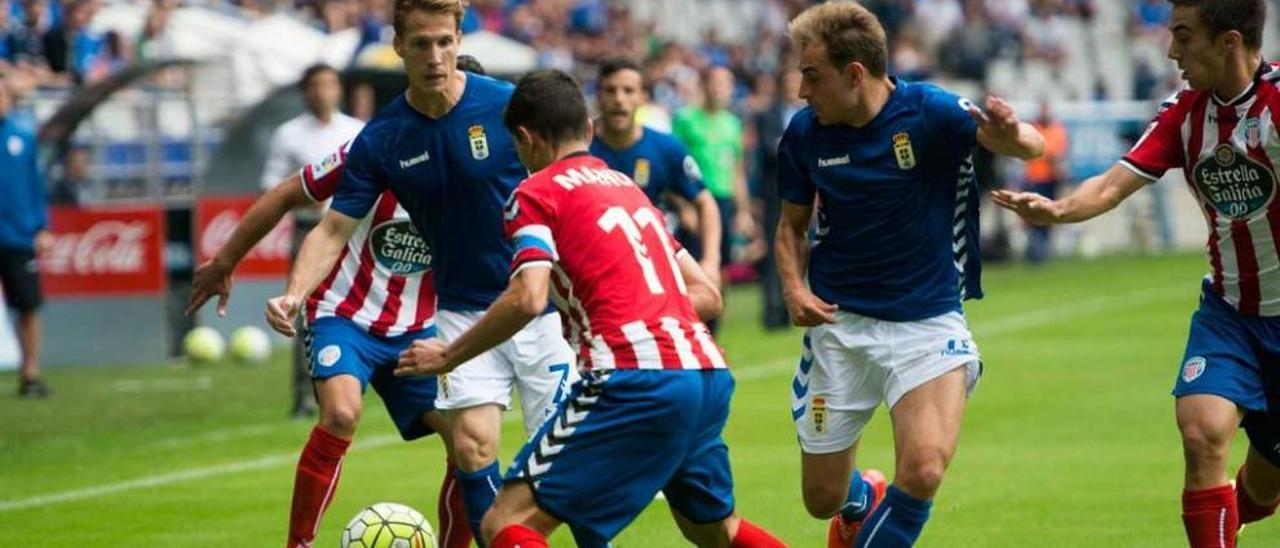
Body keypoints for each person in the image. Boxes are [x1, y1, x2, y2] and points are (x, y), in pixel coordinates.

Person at [392, 68, 786, 548]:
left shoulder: (534, 194)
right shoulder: (625, 187)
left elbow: (528, 297)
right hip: (702, 372)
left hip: (632, 377)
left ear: (525, 139)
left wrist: (448, 356)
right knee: (715, 529)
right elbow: (709, 296)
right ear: (590, 130)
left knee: (505, 523)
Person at [264, 0, 575, 541]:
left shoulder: (505, 108)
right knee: (472, 447)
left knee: (568, 464)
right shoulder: (383, 137)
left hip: (534, 306)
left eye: (444, 42)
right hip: (455, 318)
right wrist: (294, 293)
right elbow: (332, 228)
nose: (434, 56)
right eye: (421, 44)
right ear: (399, 46)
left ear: (459, 40)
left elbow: (567, 179)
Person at [991, 1, 1280, 545]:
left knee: (1263, 490)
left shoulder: (1277, 108)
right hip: (1230, 314)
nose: (1171, 51)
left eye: (1184, 36)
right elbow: (1112, 182)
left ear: (1229, 42)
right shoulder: (1183, 113)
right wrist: (1057, 212)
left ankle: (1233, 513)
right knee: (1201, 432)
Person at [776, 3, 1045, 547]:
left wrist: (1015, 135)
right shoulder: (805, 134)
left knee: (922, 472)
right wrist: (793, 288)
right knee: (820, 498)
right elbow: (790, 228)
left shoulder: (930, 112)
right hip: (839, 326)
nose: (801, 91)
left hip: (928, 325)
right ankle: (859, 498)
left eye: (812, 75)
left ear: (855, 74)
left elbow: (1028, 145)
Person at [188, 144, 471, 548]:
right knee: (340, 414)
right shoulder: (377, 145)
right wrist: (226, 260)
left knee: (468, 442)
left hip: (419, 329)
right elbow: (287, 192)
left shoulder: (485, 172)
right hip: (343, 314)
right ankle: (299, 544)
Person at [261, 62, 365, 419]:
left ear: (339, 90)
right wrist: (309, 197)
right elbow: (273, 188)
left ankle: (358, 382)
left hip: (353, 230)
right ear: (306, 91)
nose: (323, 92)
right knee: (302, 307)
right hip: (309, 229)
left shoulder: (356, 130)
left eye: (329, 84)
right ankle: (305, 395)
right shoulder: (288, 135)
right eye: (316, 85)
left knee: (360, 304)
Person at [589, 57, 722, 284]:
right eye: (610, 90)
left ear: (644, 97)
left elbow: (706, 202)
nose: (619, 99)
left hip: (656, 268)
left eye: (628, 90)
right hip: (595, 270)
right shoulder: (580, 147)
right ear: (598, 97)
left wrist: (710, 261)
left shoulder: (666, 147)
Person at [673, 65, 755, 311]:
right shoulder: (685, 119)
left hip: (724, 201)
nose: (720, 89)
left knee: (722, 264)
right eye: (715, 82)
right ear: (704, 85)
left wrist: (744, 212)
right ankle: (691, 320)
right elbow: (674, 165)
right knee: (694, 264)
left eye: (726, 84)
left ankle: (714, 324)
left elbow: (737, 170)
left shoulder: (733, 123)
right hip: (695, 199)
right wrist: (684, 207)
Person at [0, 76, 51, 399]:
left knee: (28, 306)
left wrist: (41, 227)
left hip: (18, 236)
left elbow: (36, 186)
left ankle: (30, 373)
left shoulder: (22, 137)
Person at [1019, 101, 1070, 264]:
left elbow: (1058, 153)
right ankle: (1035, 251)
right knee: (1033, 216)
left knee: (1048, 215)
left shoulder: (1057, 130)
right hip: (1034, 178)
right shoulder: (1033, 129)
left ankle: (1041, 251)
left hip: (1051, 179)